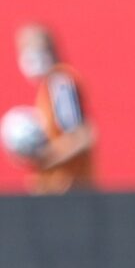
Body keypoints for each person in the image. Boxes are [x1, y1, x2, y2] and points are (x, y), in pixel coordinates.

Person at [14, 24, 96, 193]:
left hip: (70, 190)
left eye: (36, 50)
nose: (30, 58)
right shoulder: (47, 88)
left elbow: (82, 137)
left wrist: (44, 158)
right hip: (55, 192)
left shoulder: (60, 82)